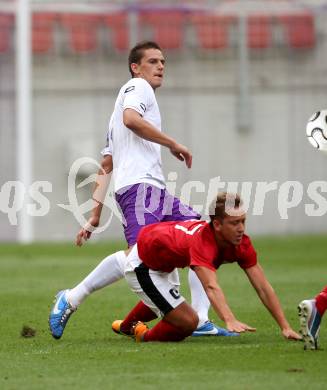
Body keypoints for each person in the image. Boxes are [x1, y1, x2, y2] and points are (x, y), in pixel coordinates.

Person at [49, 41, 231, 339]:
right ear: (136, 67)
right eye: (154, 61)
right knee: (138, 257)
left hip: (151, 189)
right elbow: (131, 120)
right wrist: (173, 143)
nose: (161, 66)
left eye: (163, 62)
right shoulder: (138, 88)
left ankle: (201, 319)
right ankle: (71, 298)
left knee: (203, 235)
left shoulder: (119, 108)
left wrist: (95, 215)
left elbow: (106, 164)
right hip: (139, 189)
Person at [111, 192, 302, 342]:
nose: (241, 228)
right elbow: (210, 285)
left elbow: (262, 286)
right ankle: (143, 335)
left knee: (168, 301)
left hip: (164, 261)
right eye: (235, 223)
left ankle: (126, 326)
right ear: (217, 225)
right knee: (188, 322)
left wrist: (285, 326)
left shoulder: (242, 243)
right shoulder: (203, 243)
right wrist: (229, 319)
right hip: (142, 265)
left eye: (243, 221)